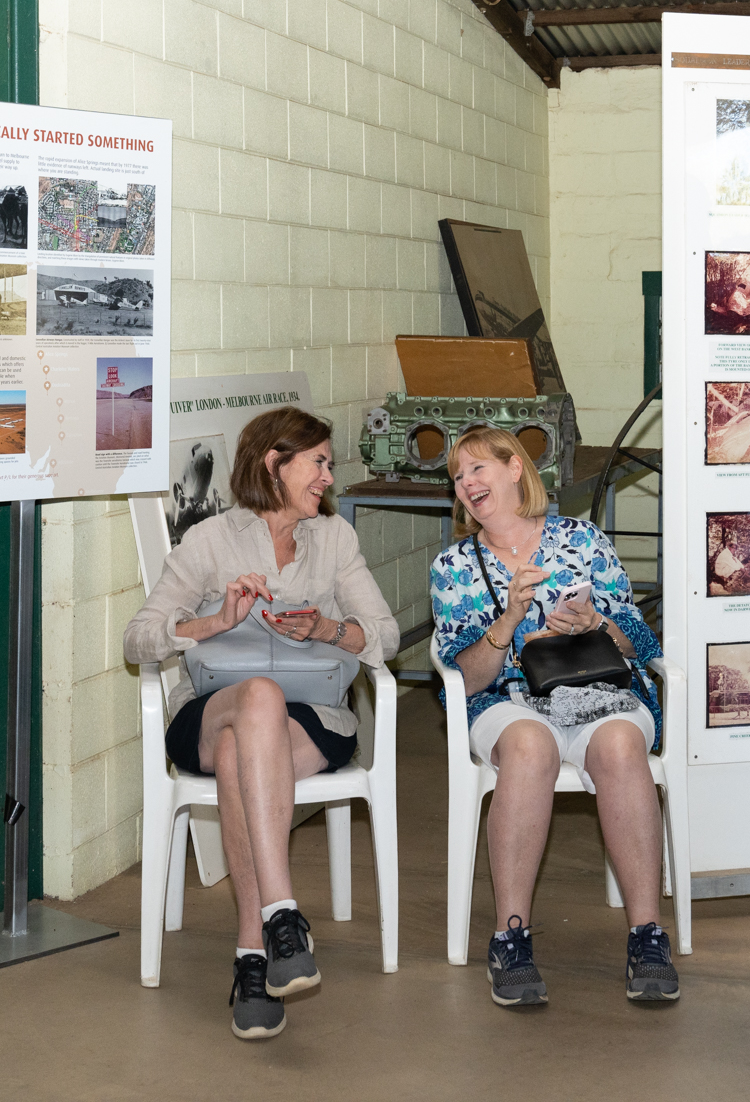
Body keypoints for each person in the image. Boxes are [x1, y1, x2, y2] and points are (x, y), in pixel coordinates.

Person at [122, 406, 399, 1041]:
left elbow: (384, 632)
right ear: (275, 465)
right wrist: (213, 621)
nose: (329, 475)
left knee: (245, 744)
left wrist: (326, 628)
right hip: (214, 704)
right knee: (257, 701)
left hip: (315, 716)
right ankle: (282, 911)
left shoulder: (335, 541)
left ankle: (253, 954)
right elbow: (139, 639)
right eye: (319, 462)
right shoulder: (210, 540)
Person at [428, 426, 675, 1008]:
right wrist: (510, 619)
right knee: (530, 749)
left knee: (619, 745)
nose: (466, 484)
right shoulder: (455, 566)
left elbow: (638, 637)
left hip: (597, 687)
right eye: (458, 478)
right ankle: (510, 938)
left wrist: (596, 625)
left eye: (477, 469)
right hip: (505, 698)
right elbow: (466, 677)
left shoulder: (581, 539)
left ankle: (647, 935)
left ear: (516, 470)